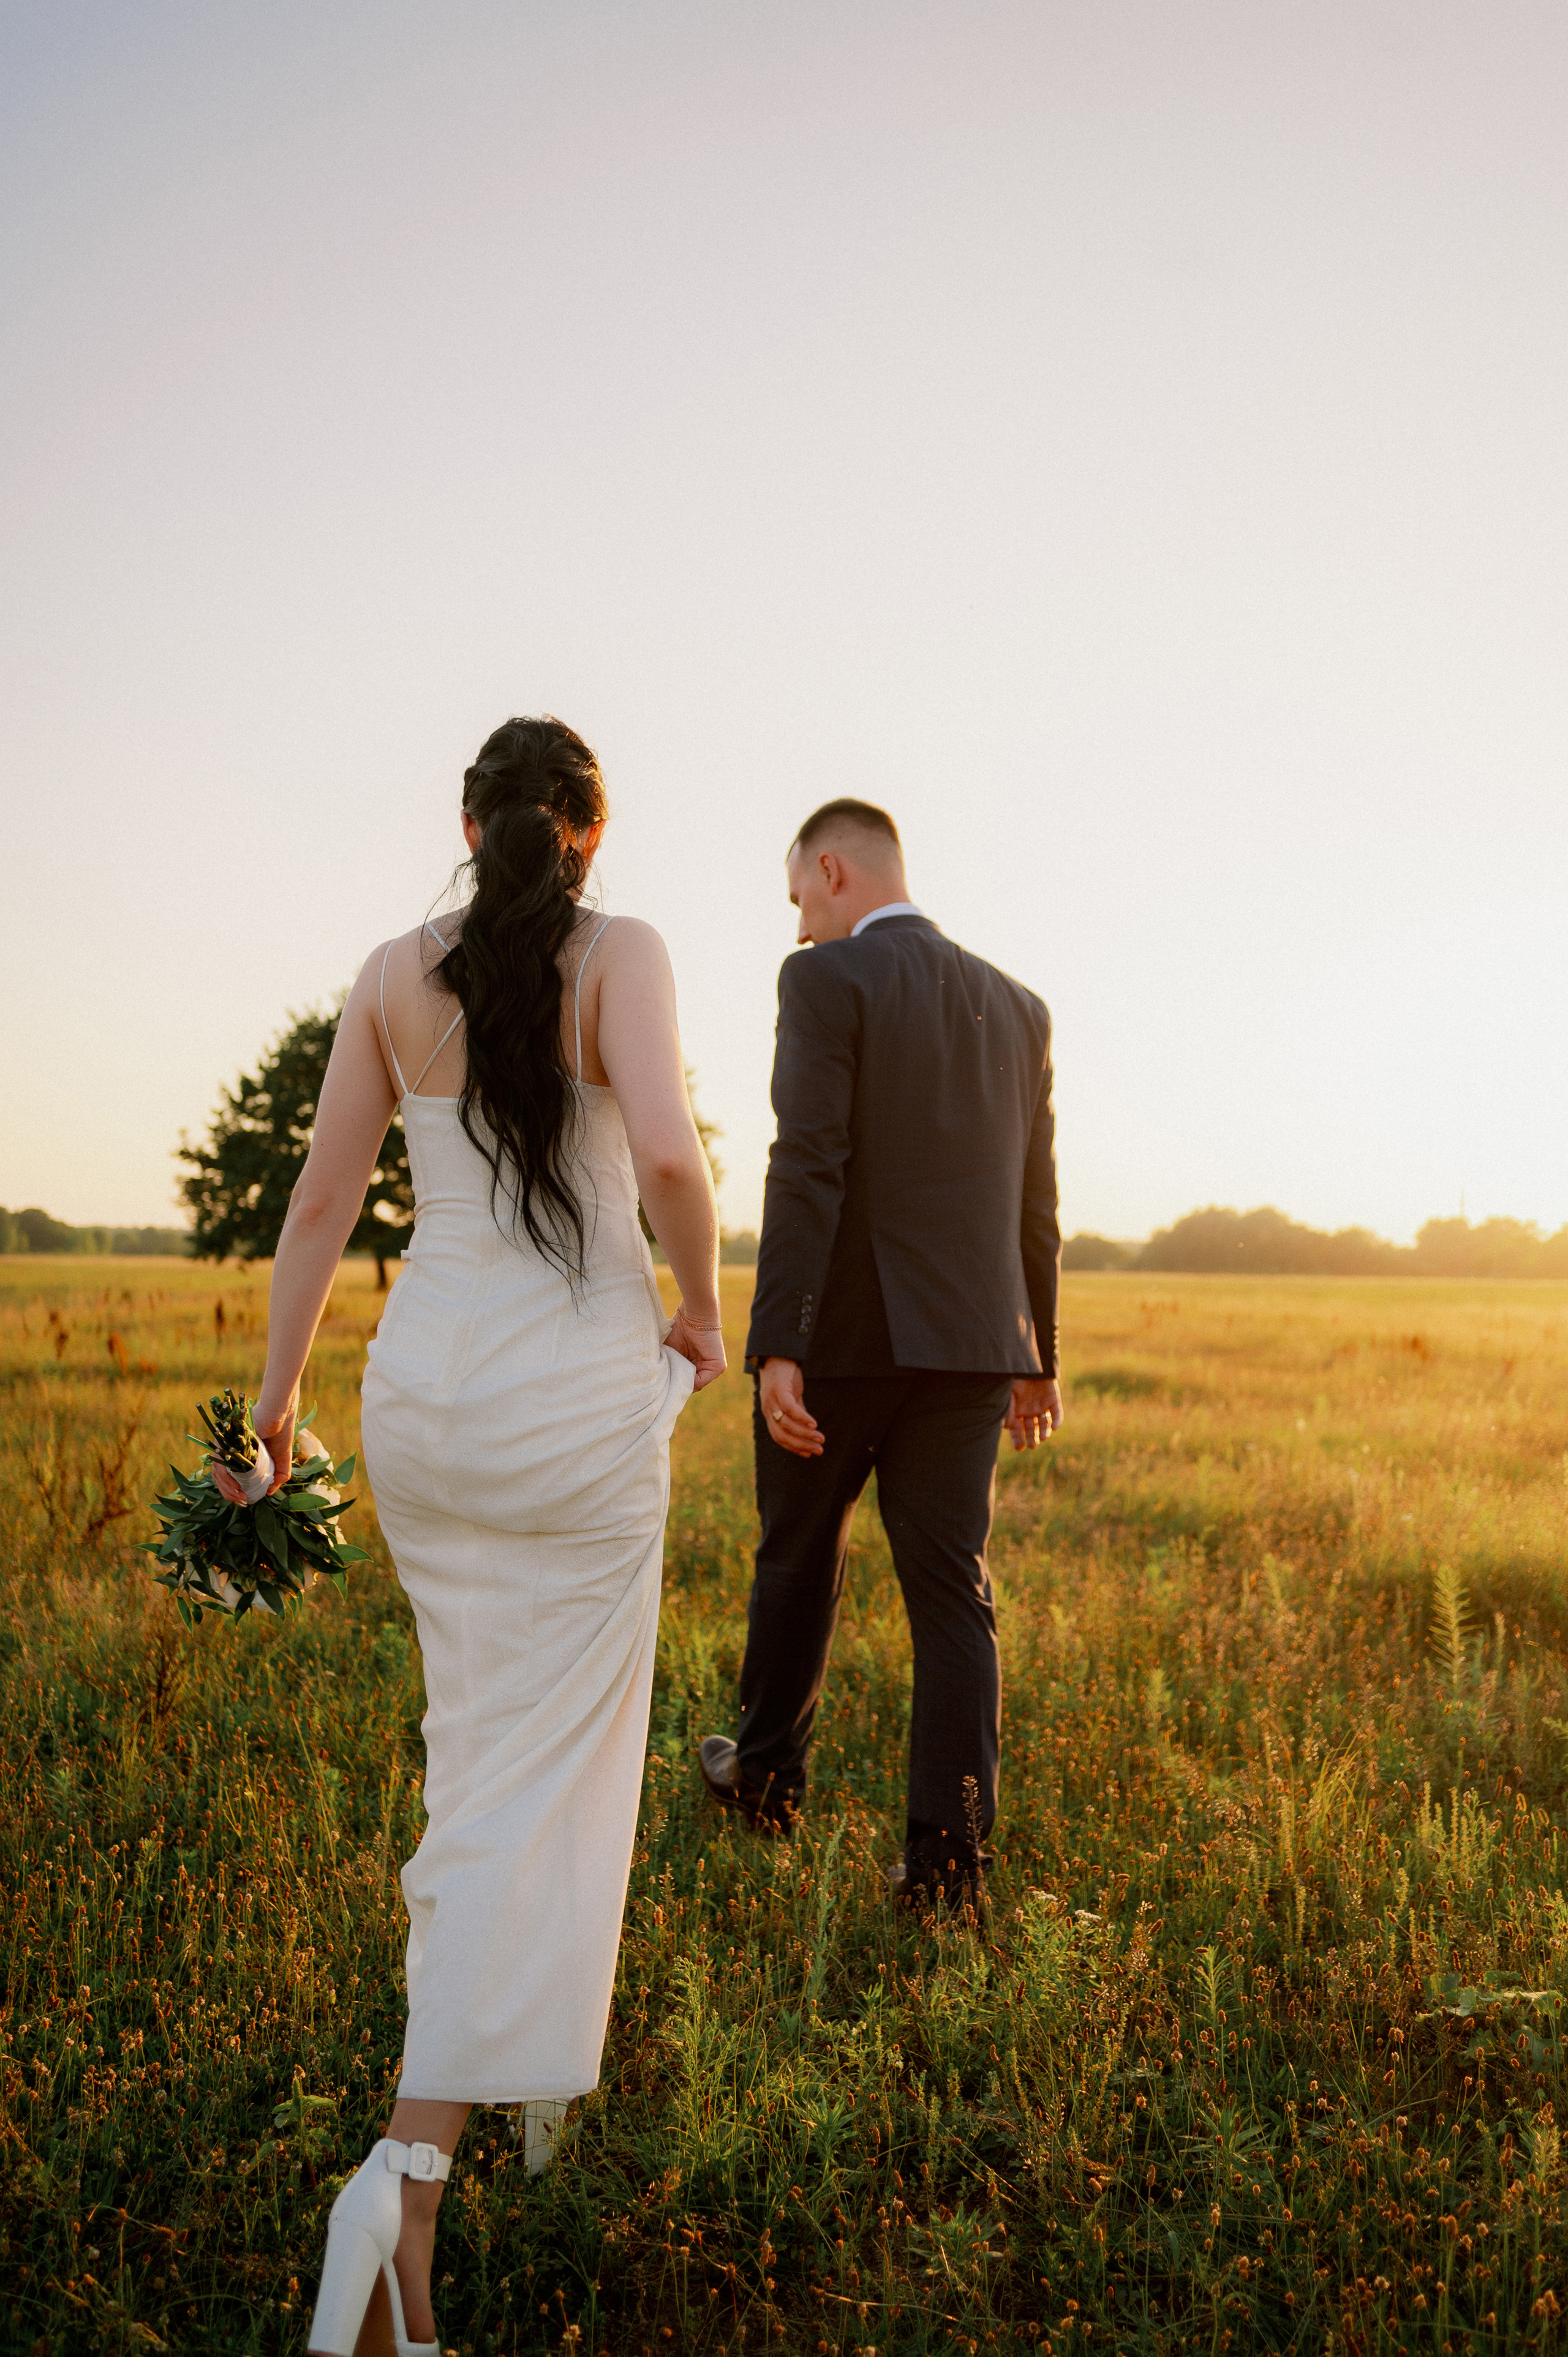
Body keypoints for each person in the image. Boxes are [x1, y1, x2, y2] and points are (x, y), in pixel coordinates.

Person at [213, 716, 725, 2357]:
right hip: (574, 1406)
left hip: (423, 1405)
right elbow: (661, 1153)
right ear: (592, 831)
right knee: (541, 1776)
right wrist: (703, 1306)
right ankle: (404, 2180)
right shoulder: (621, 952)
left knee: (477, 1752)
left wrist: (275, 1409)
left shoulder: (385, 971)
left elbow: (316, 1201)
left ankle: (461, 2150)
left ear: (467, 821)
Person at [698, 796, 1059, 1909]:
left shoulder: (822, 981)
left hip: (845, 1342)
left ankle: (765, 1782)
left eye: (800, 894)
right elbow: (1034, 1199)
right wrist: (1034, 1351)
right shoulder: (1019, 1006)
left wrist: (778, 1344)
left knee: (798, 1559)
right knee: (955, 1595)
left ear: (833, 868)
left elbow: (806, 1160)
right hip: (970, 1352)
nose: (800, 920)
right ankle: (949, 1866)